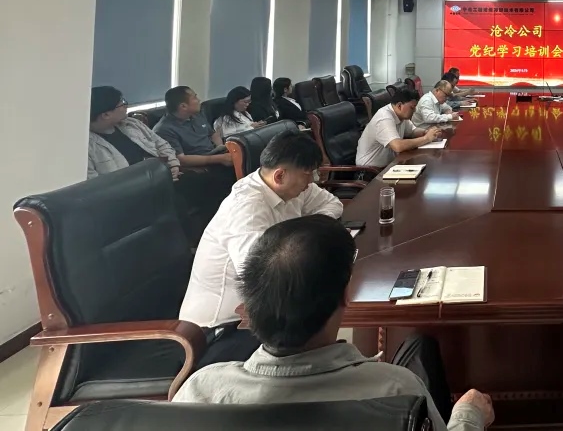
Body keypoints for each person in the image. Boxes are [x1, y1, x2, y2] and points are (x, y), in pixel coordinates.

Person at [174, 215, 492, 430]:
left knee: (418, 347)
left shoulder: (200, 391)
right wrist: (469, 416)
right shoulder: (395, 390)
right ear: (345, 296)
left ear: (250, 303)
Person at [179, 133, 343, 364]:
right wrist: (305, 237)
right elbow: (260, 276)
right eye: (309, 174)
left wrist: (308, 230)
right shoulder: (246, 207)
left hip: (267, 311)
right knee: (320, 345)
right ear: (280, 175)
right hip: (221, 329)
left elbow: (332, 204)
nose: (312, 181)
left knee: (327, 330)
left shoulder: (293, 186)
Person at [154, 85, 236, 236]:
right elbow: (181, 160)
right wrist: (218, 158)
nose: (199, 100)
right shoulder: (164, 129)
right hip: (196, 167)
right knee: (222, 181)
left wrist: (221, 148)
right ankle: (216, 230)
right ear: (183, 106)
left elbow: (213, 134)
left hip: (215, 156)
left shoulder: (197, 116)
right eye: (195, 97)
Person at [87, 85, 180, 180]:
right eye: (122, 104)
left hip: (163, 177)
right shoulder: (87, 147)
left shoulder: (132, 124)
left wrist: (173, 164)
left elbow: (162, 145)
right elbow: (95, 184)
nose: (126, 106)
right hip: (135, 187)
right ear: (106, 115)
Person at [355, 88, 442, 170]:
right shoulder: (384, 117)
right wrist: (426, 138)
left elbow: (412, 131)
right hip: (370, 171)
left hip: (389, 165)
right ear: (399, 105)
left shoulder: (401, 115)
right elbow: (397, 146)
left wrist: (427, 132)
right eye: (412, 107)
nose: (415, 110)